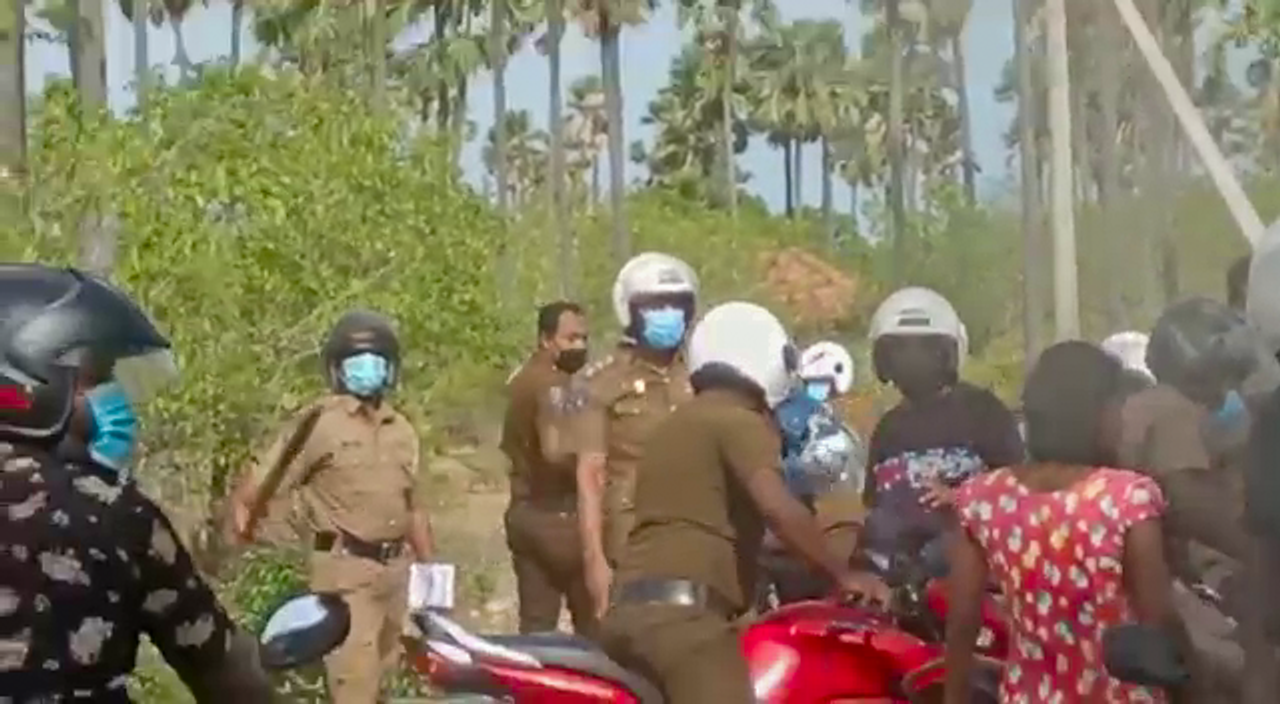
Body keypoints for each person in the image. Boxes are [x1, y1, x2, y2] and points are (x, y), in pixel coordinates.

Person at [0, 264, 273, 703]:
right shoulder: (113, 512)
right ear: (28, 384)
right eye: (98, 379)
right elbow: (223, 668)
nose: (114, 397)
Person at [598, 302, 890, 704]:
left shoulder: (676, 425)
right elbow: (778, 508)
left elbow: (733, 528)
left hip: (630, 612)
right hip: (685, 624)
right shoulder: (738, 420)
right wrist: (844, 575)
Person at [945, 341, 1184, 703]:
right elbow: (1160, 621)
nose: (1121, 421)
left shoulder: (982, 498)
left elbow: (963, 620)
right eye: (1117, 408)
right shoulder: (1126, 498)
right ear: (1097, 413)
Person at [228, 309, 435, 703]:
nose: (367, 368)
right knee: (354, 687)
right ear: (337, 368)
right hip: (346, 574)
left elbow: (414, 507)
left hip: (396, 573)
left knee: (386, 681)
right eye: (356, 360)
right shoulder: (320, 423)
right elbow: (265, 477)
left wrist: (431, 574)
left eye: (376, 359)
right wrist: (245, 524)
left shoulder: (402, 431)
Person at [859, 287, 1024, 573]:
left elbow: (1018, 487)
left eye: (926, 349)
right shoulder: (889, 428)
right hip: (898, 571)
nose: (912, 360)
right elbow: (874, 508)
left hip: (969, 565)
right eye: (899, 350)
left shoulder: (983, 412)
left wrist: (962, 497)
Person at [570, 252, 698, 617]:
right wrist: (594, 561)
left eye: (676, 304)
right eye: (655, 305)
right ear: (631, 311)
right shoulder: (602, 383)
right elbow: (590, 476)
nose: (668, 313)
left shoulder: (703, 375)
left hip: (697, 537)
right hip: (632, 541)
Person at [500, 301, 596, 635]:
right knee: (595, 627)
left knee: (536, 627)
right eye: (570, 339)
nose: (579, 346)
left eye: (583, 338)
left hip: (526, 512)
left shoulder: (522, 378)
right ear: (545, 339)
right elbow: (557, 451)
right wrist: (594, 465)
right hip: (560, 518)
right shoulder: (552, 385)